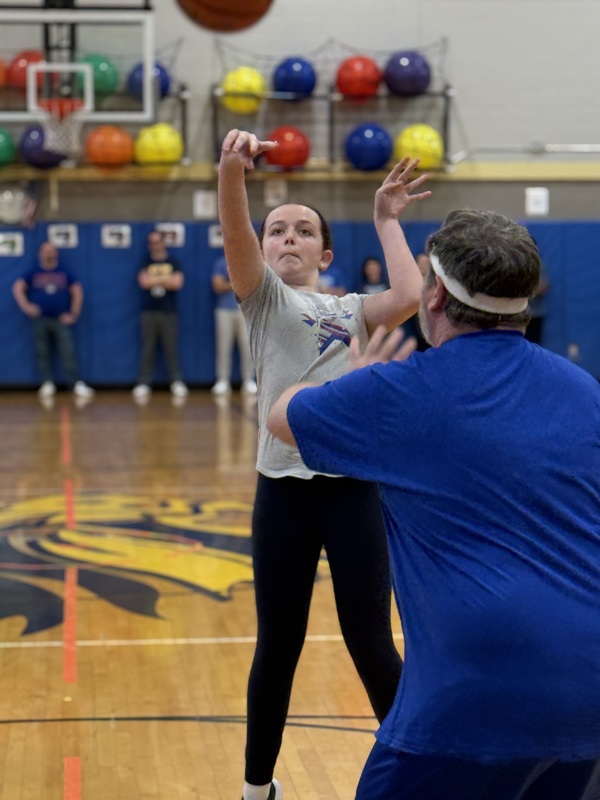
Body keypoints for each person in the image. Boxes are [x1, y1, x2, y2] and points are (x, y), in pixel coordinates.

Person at [266, 209, 600, 800]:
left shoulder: (396, 391)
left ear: (436, 294)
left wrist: (349, 377)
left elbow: (282, 415)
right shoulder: (583, 388)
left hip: (469, 701)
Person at [218, 128, 429, 800]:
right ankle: (257, 788)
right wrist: (232, 175)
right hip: (281, 492)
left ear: (325, 252)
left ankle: (416, 777)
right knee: (277, 645)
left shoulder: (347, 309)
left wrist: (386, 220)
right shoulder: (264, 299)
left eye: (301, 231)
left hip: (353, 493)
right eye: (276, 228)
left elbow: (410, 296)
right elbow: (236, 238)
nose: (284, 238)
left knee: (371, 641)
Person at [12, 240, 95, 401]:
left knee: (67, 351)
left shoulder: (64, 272)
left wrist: (74, 312)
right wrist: (26, 306)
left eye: (51, 251)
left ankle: (75, 383)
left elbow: (77, 290)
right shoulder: (34, 272)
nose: (48, 254)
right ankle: (47, 383)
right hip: (40, 318)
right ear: (40, 254)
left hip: (60, 318)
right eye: (45, 251)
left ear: (55, 253)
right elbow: (18, 287)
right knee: (42, 351)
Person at [132, 230, 188, 401]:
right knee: (147, 347)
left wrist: (154, 280)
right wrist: (165, 279)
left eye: (158, 242)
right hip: (149, 311)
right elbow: (143, 282)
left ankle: (176, 381)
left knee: (171, 348)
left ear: (163, 243)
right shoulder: (145, 261)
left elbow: (177, 283)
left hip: (168, 311)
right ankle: (143, 383)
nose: (155, 245)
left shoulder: (173, 261)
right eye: (152, 242)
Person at [210, 254, 257, 396]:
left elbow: (254, 285)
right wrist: (238, 283)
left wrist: (231, 283)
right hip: (224, 309)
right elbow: (217, 285)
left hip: (245, 310)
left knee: (247, 346)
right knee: (223, 345)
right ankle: (222, 380)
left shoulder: (250, 261)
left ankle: (248, 380)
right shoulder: (221, 263)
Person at [400, 252, 430, 351]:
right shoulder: (408, 285)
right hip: (412, 333)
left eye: (426, 263)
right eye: (420, 263)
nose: (423, 266)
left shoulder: (436, 285)